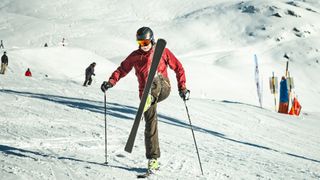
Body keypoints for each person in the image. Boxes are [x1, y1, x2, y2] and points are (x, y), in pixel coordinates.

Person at [100, 27, 188, 173]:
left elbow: (178, 68)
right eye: (140, 42)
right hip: (144, 96)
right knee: (150, 124)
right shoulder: (135, 56)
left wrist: (182, 88)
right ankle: (153, 160)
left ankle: (150, 97)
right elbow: (121, 69)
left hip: (162, 87)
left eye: (146, 41)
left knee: (155, 77)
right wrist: (110, 82)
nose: (143, 45)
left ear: (152, 40)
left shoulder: (162, 51)